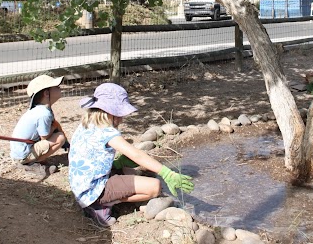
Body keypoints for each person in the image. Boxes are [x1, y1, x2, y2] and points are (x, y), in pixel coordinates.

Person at [68, 83, 194, 227]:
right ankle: (99, 206)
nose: (121, 119)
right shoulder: (107, 132)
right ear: (109, 112)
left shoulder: (88, 122)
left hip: (81, 185)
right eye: (119, 114)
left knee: (129, 170)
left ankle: (101, 198)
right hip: (92, 190)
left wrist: (118, 164)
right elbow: (137, 155)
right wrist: (167, 173)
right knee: (155, 187)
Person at [10, 74, 68, 176]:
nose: (60, 88)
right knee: (60, 138)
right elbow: (45, 137)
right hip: (23, 154)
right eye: (56, 87)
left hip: (22, 149)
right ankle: (32, 162)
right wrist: (55, 127)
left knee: (58, 133)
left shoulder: (41, 110)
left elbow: (54, 125)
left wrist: (56, 127)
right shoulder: (43, 114)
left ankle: (34, 159)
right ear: (46, 93)